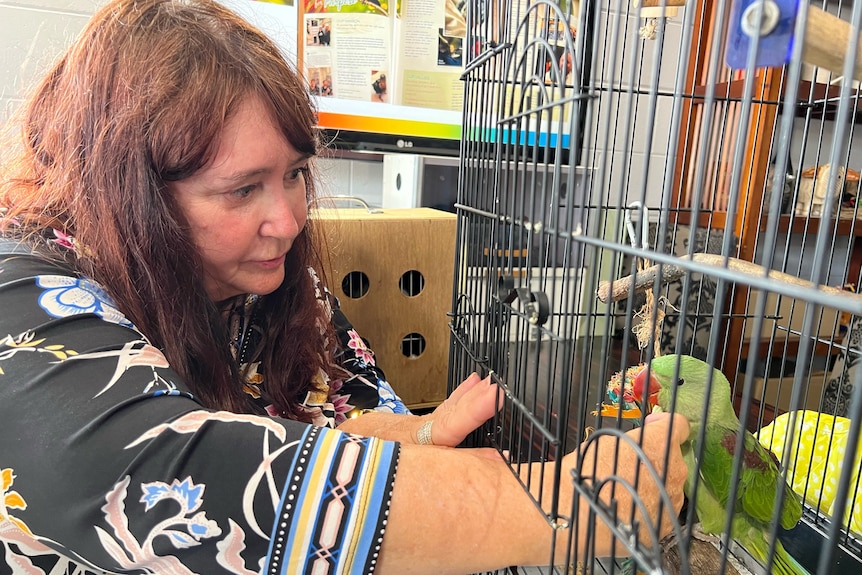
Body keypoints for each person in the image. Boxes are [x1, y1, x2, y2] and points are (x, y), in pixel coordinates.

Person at [0, 1, 690, 574]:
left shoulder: (269, 280)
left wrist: (419, 433)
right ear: (132, 198)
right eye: (242, 189)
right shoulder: (23, 307)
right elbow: (189, 482)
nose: (289, 218)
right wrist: (570, 500)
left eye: (295, 173)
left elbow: (337, 420)